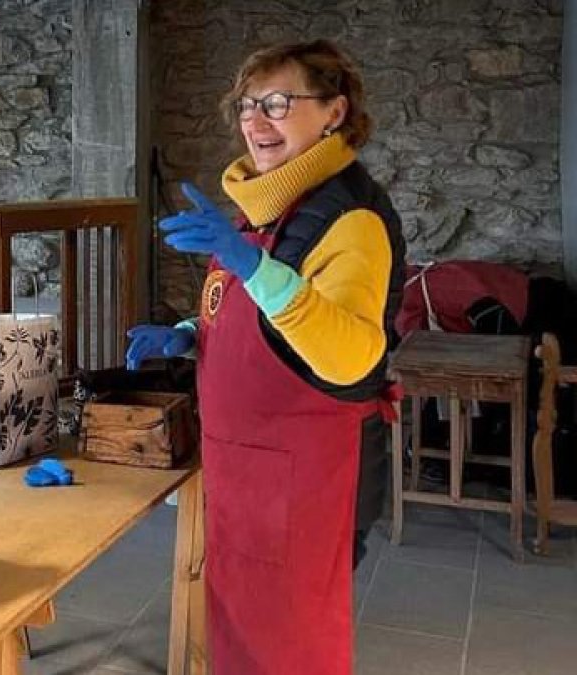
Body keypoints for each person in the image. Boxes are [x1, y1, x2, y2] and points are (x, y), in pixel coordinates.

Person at [126, 40, 405, 674]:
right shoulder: (273, 208)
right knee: (246, 633)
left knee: (290, 645)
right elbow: (264, 315)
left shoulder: (349, 217)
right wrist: (192, 332)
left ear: (333, 112)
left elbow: (350, 355)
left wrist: (253, 264)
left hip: (307, 474)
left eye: (278, 103)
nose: (255, 121)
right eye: (247, 105)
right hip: (249, 470)